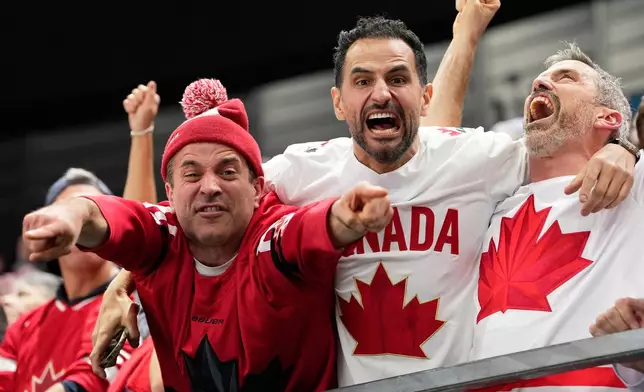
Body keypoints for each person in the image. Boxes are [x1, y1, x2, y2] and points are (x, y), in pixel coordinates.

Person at [91, 2, 642, 387]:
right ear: (337, 103)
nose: (381, 92)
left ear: (422, 98)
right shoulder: (300, 172)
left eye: (398, 78)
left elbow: (558, 146)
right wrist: (126, 280)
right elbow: (207, 208)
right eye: (362, 81)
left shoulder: (482, 158)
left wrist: (624, 147)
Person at [23, 78, 395, 392]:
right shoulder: (163, 236)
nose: (210, 187)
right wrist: (69, 215)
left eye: (228, 171)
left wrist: (347, 218)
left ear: (258, 188)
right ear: (168, 191)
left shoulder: (272, 238)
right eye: (191, 174)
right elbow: (112, 215)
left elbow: (306, 230)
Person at [470, 43, 644, 391]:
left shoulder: (634, 188)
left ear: (607, 118)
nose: (539, 84)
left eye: (566, 78)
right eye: (538, 81)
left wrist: (630, 148)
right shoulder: (488, 206)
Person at [0, 81, 160, 392]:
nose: (80, 226)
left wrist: (141, 134)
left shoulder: (127, 304)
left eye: (92, 216)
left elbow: (95, 378)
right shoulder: (25, 326)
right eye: (70, 215)